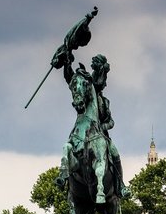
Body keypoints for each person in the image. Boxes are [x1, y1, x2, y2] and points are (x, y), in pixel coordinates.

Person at [55, 52, 130, 199]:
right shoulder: (83, 100)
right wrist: (66, 61)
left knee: (114, 152)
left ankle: (121, 185)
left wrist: (103, 127)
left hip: (100, 135)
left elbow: (111, 121)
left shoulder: (104, 102)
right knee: (67, 145)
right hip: (80, 131)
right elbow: (70, 79)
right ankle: (63, 175)